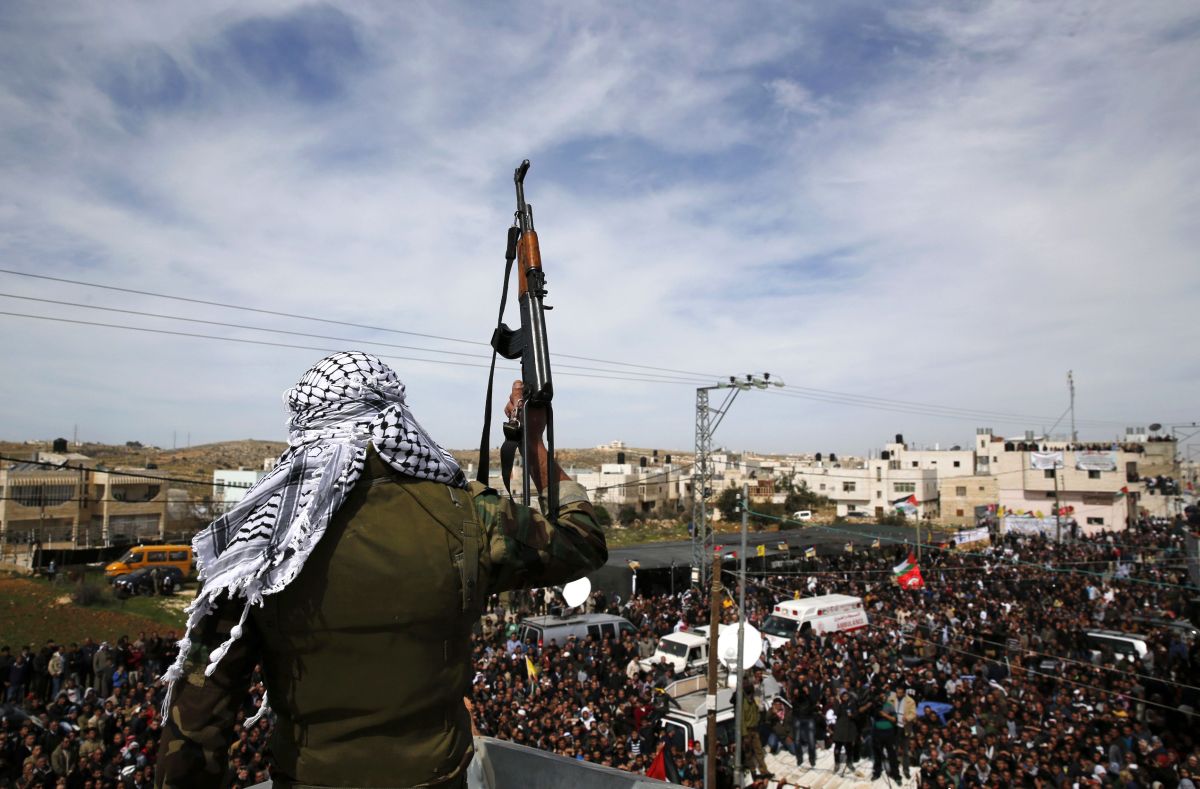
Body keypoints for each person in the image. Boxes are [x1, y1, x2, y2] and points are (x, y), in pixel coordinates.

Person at [156, 352, 607, 789]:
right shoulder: (466, 514)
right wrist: (532, 446)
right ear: (393, 416)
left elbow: (197, 721)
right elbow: (582, 540)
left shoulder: (259, 542)